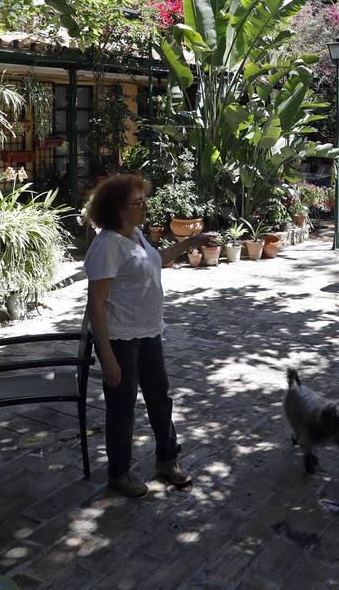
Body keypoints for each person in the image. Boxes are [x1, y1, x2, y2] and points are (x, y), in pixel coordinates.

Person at [84, 173, 214, 497]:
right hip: (119, 338)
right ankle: (119, 473)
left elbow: (156, 262)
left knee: (159, 398)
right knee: (123, 408)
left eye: (144, 200)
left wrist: (190, 244)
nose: (144, 206)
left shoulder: (136, 235)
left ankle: (167, 460)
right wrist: (108, 358)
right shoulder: (107, 245)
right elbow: (96, 306)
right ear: (116, 209)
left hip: (148, 332)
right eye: (136, 203)